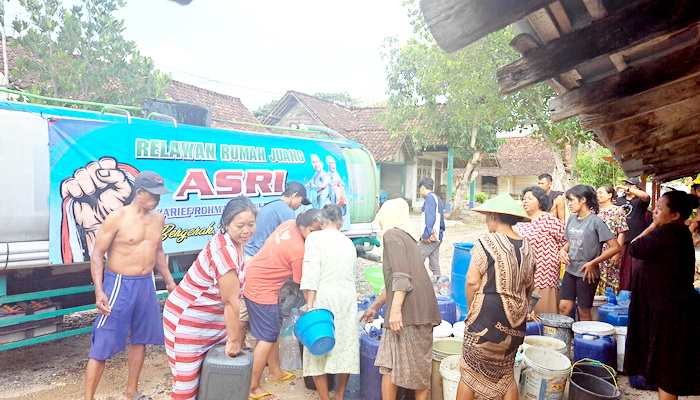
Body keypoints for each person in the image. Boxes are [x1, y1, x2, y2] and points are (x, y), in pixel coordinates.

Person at [84, 171, 176, 400]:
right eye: (153, 195)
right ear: (139, 192)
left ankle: (131, 390)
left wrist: (169, 280)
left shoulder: (158, 218)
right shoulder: (118, 217)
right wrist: (99, 290)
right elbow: (97, 254)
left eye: (160, 196)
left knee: (141, 339)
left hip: (146, 285)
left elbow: (158, 250)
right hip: (119, 284)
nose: (157, 200)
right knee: (103, 344)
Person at [163, 196, 257, 400]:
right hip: (188, 320)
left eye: (251, 224)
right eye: (240, 225)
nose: (246, 230)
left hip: (213, 321)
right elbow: (231, 302)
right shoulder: (224, 251)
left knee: (212, 379)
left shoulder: (237, 243)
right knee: (186, 385)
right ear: (226, 224)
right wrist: (233, 341)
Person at [456, 193, 535, 400]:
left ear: (493, 216)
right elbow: (529, 287)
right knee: (506, 375)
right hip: (517, 325)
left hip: (486, 322)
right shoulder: (528, 247)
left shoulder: (486, 242)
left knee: (469, 371)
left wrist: (471, 308)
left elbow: (472, 281)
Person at [361, 198, 440, 400]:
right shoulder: (405, 237)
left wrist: (395, 311)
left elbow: (402, 277)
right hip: (405, 310)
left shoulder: (392, 235)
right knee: (388, 365)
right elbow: (395, 279)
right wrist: (376, 306)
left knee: (418, 373)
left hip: (412, 314)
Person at [625, 191, 700, 400]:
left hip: (669, 316)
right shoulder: (679, 233)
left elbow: (634, 247)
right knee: (667, 372)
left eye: (660, 206)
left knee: (667, 373)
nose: (655, 209)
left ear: (674, 215)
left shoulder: (666, 234)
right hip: (672, 311)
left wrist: (652, 225)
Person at [244, 209, 323, 400]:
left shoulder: (288, 224)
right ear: (303, 227)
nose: (316, 235)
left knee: (272, 332)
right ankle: (251, 387)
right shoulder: (298, 251)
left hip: (255, 278)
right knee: (266, 338)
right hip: (262, 290)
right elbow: (302, 283)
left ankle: (275, 372)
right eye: (313, 231)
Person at [300, 204, 359, 400]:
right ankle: (340, 394)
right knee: (345, 345)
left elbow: (311, 272)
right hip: (347, 298)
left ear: (321, 220)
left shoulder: (314, 238)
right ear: (340, 222)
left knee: (318, 348)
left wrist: (309, 303)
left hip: (323, 297)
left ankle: (325, 398)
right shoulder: (347, 242)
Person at [559, 185, 620, 321]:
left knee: (583, 310)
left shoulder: (596, 221)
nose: (569, 204)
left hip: (587, 273)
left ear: (583, 200)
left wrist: (593, 263)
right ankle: (566, 339)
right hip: (570, 270)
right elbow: (572, 241)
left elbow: (615, 247)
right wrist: (563, 250)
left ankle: (585, 340)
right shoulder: (572, 219)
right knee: (564, 307)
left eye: (572, 200)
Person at [516, 186, 566, 315]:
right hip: (524, 273)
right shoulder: (519, 221)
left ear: (540, 201)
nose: (525, 201)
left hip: (544, 273)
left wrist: (562, 252)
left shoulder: (548, 219)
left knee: (543, 310)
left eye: (529, 198)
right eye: (523, 199)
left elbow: (566, 240)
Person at [244, 181, 311, 258]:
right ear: (294, 195)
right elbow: (293, 239)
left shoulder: (271, 204)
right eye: (301, 201)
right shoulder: (287, 210)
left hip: (247, 252)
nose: (300, 205)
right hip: (257, 256)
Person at [615, 177, 651, 290]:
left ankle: (636, 291)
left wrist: (628, 189)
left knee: (636, 269)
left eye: (630, 185)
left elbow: (646, 196)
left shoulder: (640, 201)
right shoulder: (619, 200)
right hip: (621, 240)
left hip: (636, 239)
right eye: (626, 184)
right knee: (622, 270)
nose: (627, 186)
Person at [596, 185, 629, 294]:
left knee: (609, 281)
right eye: (597, 193)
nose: (598, 195)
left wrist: (616, 253)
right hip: (595, 250)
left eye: (601, 193)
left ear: (609, 195)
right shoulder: (594, 211)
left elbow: (621, 232)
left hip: (611, 249)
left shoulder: (618, 210)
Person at [417, 177, 445, 278]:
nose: (419, 192)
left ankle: (418, 284)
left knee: (416, 259)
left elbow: (430, 218)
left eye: (419, 189)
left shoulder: (429, 198)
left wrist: (425, 236)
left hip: (431, 237)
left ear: (423, 188)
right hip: (438, 236)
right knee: (434, 263)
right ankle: (439, 285)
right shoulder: (437, 198)